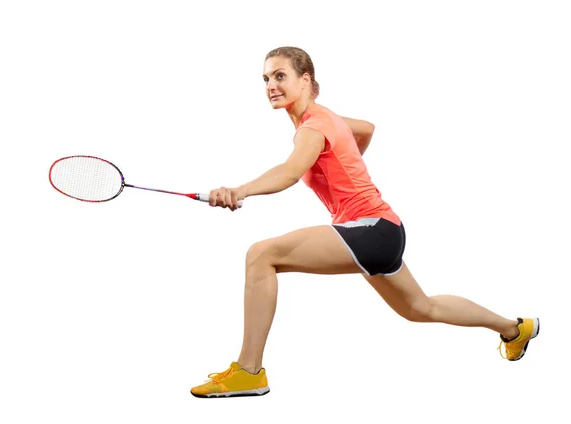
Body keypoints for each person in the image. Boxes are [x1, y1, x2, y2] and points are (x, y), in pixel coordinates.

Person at [189, 46, 540, 398]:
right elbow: (366, 129)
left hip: (371, 228)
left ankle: (250, 370)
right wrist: (348, 165)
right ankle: (514, 328)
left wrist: (240, 190)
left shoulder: (313, 127)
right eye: (266, 78)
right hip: (383, 231)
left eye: (280, 76)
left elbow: (291, 172)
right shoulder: (327, 119)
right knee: (422, 308)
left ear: (305, 80)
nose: (271, 85)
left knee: (261, 254)